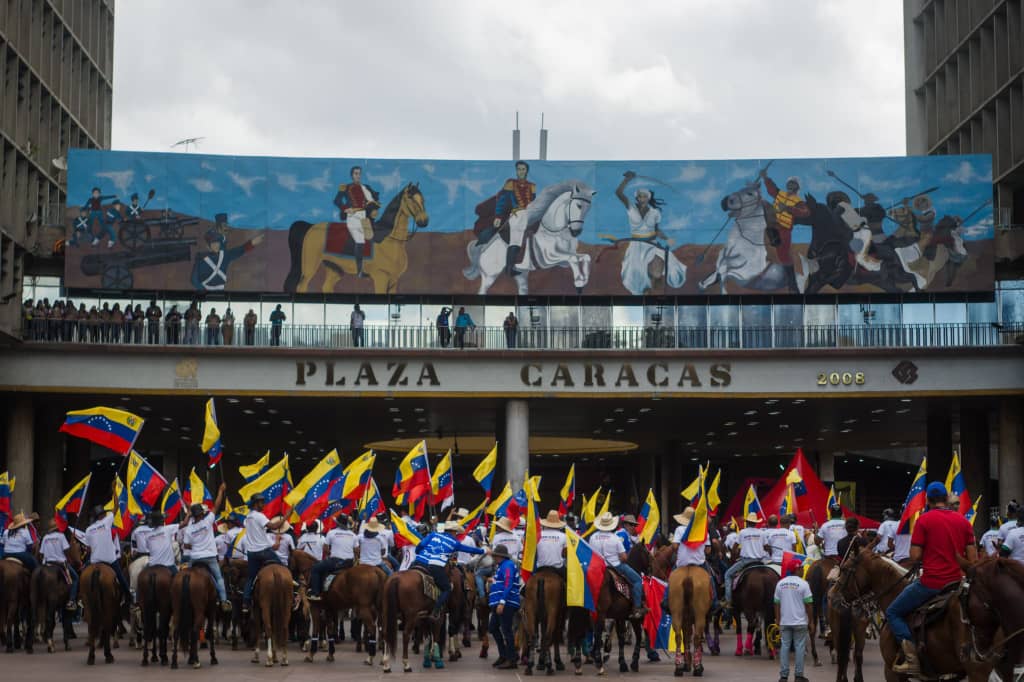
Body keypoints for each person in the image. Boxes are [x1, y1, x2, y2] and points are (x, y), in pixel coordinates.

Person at [886, 482, 977, 675]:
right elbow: (973, 559)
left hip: (932, 584)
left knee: (893, 612)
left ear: (928, 500)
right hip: (958, 583)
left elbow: (915, 556)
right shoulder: (963, 521)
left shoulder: (924, 520)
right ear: (946, 499)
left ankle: (911, 659)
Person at [614, 171, 686, 295]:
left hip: (652, 243)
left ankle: (657, 282)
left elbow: (657, 230)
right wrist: (627, 180)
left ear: (648, 198)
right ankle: (645, 289)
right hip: (636, 245)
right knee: (635, 272)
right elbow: (619, 193)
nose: (642, 199)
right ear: (637, 197)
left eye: (645, 196)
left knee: (668, 263)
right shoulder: (631, 208)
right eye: (640, 196)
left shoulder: (655, 213)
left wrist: (666, 238)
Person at [475, 161, 536, 276]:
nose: (521, 171)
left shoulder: (532, 186)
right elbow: (502, 200)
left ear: (526, 171)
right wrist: (498, 215)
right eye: (519, 169)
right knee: (516, 241)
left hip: (528, 214)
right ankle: (509, 268)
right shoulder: (510, 183)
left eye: (523, 169)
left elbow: (533, 202)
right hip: (516, 214)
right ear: (516, 171)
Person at [412, 522, 485, 617]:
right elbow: (470, 550)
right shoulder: (454, 543)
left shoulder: (433, 534)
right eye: (456, 532)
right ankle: (436, 611)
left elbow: (420, 545)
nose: (456, 534)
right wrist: (484, 550)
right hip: (435, 566)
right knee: (447, 588)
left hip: (418, 562)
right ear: (453, 532)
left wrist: (418, 552)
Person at [182, 483, 232, 612]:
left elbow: (187, 545)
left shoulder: (189, 529)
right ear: (202, 514)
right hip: (210, 557)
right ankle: (223, 601)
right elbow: (216, 505)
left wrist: (196, 543)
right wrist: (220, 490)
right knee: (219, 577)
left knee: (184, 577)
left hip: (194, 558)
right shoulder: (208, 520)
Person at [761, 170, 810, 293]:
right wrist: (765, 178)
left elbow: (805, 212)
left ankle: (792, 286)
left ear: (797, 187)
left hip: (784, 229)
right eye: (790, 183)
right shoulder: (780, 194)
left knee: (784, 256)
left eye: (794, 184)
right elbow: (772, 189)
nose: (791, 185)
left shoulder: (798, 201)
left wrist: (788, 208)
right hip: (772, 224)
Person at [590, 512, 646, 619]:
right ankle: (637, 608)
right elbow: (624, 558)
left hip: (597, 568)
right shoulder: (615, 538)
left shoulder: (593, 537)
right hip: (616, 566)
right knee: (638, 580)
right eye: (632, 525)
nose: (634, 527)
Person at [241, 493, 287, 612]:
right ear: (255, 504)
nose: (263, 504)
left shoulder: (248, 517)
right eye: (261, 502)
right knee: (284, 570)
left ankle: (245, 602)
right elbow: (274, 526)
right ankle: (290, 594)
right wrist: (287, 515)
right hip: (265, 551)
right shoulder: (259, 515)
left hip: (252, 553)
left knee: (251, 577)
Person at [78, 506, 133, 605]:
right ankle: (129, 598)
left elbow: (89, 549)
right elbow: (116, 508)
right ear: (102, 515)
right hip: (109, 560)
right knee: (121, 578)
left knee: (81, 576)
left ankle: (80, 598)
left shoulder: (88, 529)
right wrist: (115, 492)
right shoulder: (106, 521)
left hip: (94, 560)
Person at [333, 166, 380, 278]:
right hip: (353, 217)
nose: (358, 175)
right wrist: (345, 208)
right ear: (352, 175)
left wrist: (374, 208)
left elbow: (374, 200)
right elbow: (337, 200)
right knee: (360, 242)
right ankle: (359, 271)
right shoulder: (346, 187)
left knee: (371, 237)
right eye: (355, 173)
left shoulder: (366, 187)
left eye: (359, 173)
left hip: (364, 217)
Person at [190, 222, 263, 292]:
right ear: (208, 246)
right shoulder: (200, 259)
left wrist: (253, 242)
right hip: (206, 294)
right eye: (213, 243)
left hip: (220, 294)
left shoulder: (224, 256)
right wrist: (204, 290)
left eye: (217, 243)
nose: (216, 245)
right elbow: (194, 280)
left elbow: (241, 250)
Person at [774, 553, 813, 682]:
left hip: (785, 622)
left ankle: (783, 676)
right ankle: (799, 675)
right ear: (797, 569)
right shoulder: (804, 584)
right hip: (800, 622)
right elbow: (809, 605)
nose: (803, 570)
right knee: (800, 647)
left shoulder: (780, 583)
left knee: (784, 647)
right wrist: (811, 621)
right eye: (801, 568)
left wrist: (778, 620)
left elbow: (776, 604)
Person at [723, 512, 766, 608]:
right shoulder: (761, 533)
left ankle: (728, 601)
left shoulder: (742, 532)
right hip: (760, 562)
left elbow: (734, 547)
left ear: (747, 522)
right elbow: (767, 547)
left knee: (727, 575)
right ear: (755, 523)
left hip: (745, 561)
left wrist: (733, 557)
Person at [488, 544, 521, 669]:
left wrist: (502, 602)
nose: (494, 558)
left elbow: (508, 583)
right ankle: (504, 655)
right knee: (493, 628)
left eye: (495, 556)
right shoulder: (502, 566)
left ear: (499, 556)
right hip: (500, 602)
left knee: (506, 630)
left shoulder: (507, 565)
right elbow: (503, 582)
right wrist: (494, 581)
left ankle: (511, 659)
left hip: (506, 603)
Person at [309, 515, 357, 599]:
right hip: (349, 563)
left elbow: (325, 549)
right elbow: (357, 550)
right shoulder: (353, 535)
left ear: (337, 523)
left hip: (335, 562)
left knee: (315, 568)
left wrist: (330, 554)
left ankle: (315, 593)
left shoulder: (331, 532)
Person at [39, 518, 80, 610]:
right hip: (60, 563)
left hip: (47, 563)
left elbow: (41, 553)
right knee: (75, 578)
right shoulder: (61, 536)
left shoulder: (45, 537)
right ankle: (71, 601)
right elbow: (66, 550)